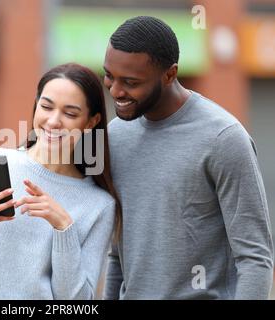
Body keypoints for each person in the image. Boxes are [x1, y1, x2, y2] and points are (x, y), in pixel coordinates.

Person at [102, 16, 273, 300]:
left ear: (170, 75)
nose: (116, 91)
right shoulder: (114, 137)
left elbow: (255, 257)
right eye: (109, 76)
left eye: (131, 82)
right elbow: (117, 254)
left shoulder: (224, 138)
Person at [0, 63, 121, 299]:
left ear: (91, 122)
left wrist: (64, 228)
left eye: (70, 113)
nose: (54, 121)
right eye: (46, 106)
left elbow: (76, 301)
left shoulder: (98, 205)